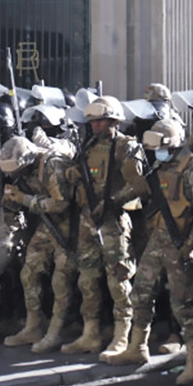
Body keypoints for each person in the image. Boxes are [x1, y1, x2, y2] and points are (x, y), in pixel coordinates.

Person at [101, 120, 193, 386]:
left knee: (184, 303)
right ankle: (137, 347)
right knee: (141, 291)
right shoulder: (160, 165)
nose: (156, 154)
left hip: (181, 241)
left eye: (159, 149)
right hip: (158, 237)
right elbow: (142, 188)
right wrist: (113, 201)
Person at [62, 96, 145, 356]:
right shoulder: (87, 146)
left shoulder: (126, 147)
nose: (96, 126)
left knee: (118, 281)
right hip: (88, 220)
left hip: (113, 222)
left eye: (101, 121)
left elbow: (139, 186)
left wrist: (112, 202)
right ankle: (91, 333)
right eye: (93, 121)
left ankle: (122, 335)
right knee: (87, 279)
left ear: (113, 120)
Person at [0, 136, 79, 352]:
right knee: (29, 271)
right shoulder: (20, 172)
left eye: (18, 170)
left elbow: (62, 203)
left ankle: (56, 331)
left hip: (71, 227)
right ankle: (33, 325)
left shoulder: (52, 165)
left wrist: (26, 200)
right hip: (47, 224)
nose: (16, 175)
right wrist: (11, 204)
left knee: (61, 280)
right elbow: (15, 204)